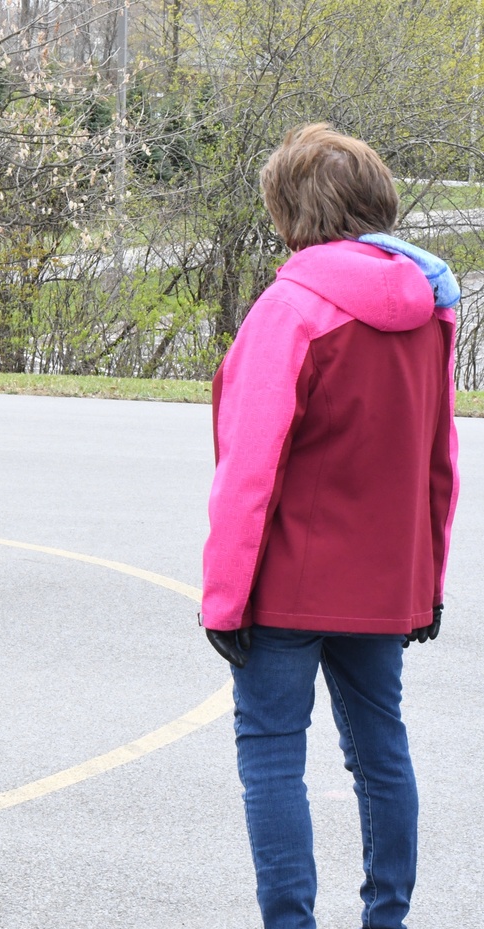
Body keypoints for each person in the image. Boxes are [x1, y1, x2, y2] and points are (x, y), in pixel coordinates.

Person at [199, 124, 459, 929]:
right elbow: (436, 460)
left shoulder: (292, 307)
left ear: (289, 211)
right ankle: (388, 915)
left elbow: (250, 465)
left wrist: (223, 599)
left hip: (285, 584)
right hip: (382, 583)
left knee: (272, 754)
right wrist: (427, 585)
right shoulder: (429, 312)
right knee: (381, 754)